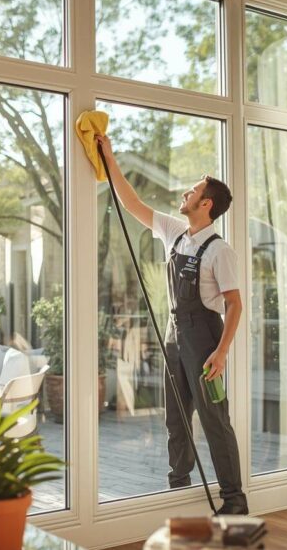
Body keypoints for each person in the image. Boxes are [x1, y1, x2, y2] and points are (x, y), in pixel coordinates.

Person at [96, 132, 248, 515]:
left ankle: (234, 499)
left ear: (206, 203)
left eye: (192, 191)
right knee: (176, 418)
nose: (185, 194)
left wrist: (221, 352)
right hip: (174, 334)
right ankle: (178, 491)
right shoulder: (174, 232)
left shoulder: (220, 251)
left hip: (205, 337)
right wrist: (109, 157)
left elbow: (234, 305)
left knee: (215, 420)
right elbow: (131, 202)